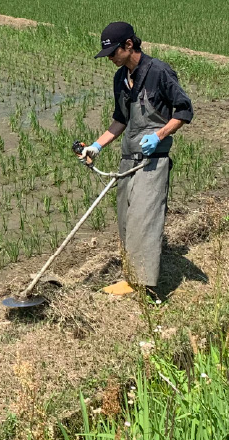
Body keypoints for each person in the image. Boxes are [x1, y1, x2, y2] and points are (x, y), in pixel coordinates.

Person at [80, 21, 193, 297]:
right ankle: (131, 278)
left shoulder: (159, 72)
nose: (110, 58)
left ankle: (146, 286)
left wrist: (159, 135)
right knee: (126, 219)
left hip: (153, 161)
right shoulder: (120, 78)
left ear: (129, 45)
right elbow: (121, 119)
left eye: (112, 53)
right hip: (128, 158)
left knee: (144, 219)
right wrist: (96, 146)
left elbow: (184, 110)